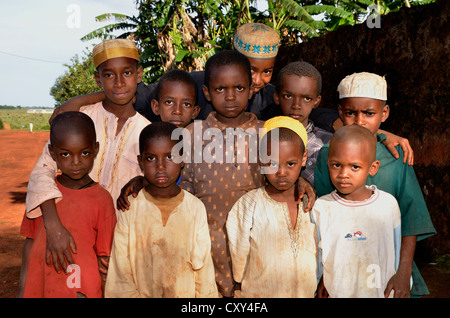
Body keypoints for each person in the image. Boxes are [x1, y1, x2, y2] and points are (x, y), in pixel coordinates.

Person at [24, 39, 150, 274]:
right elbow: (43, 170)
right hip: (68, 233)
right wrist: (53, 226)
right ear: (97, 79)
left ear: (139, 74)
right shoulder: (79, 119)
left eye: (127, 73)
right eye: (109, 75)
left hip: (118, 243)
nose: (119, 82)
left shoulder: (147, 132)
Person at [314, 72, 436, 297]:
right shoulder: (326, 156)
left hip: (388, 265)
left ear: (384, 113)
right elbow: (321, 224)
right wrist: (324, 274)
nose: (359, 121)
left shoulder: (397, 157)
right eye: (350, 113)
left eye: (369, 113)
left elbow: (411, 219)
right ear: (340, 112)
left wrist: (403, 271)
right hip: (341, 267)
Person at [105, 122, 218, 297]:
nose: (160, 166)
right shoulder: (131, 206)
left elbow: (203, 268)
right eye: (151, 158)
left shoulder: (195, 208)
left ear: (183, 159)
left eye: (170, 157)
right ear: (140, 162)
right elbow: (121, 269)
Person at [18, 112, 117, 298]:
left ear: (95, 150)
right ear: (53, 153)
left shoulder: (102, 199)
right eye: (65, 154)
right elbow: (30, 242)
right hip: (40, 284)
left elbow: (104, 258)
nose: (76, 162)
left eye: (85, 153)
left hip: (79, 289)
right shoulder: (42, 193)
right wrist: (22, 289)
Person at [226, 116, 319, 298]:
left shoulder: (314, 205)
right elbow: (238, 259)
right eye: (272, 163)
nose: (281, 172)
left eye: (290, 163)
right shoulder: (248, 205)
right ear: (261, 160)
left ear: (303, 158)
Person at [312, 124, 402, 298]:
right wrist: (321, 278)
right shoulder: (322, 208)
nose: (344, 174)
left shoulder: (387, 205)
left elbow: (395, 253)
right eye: (336, 165)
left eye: (354, 167)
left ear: (373, 167)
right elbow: (317, 256)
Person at [272, 61, 333, 185]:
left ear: (316, 101)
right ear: (277, 97)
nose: (296, 105)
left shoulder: (327, 142)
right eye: (288, 96)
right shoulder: (265, 137)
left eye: (306, 98)